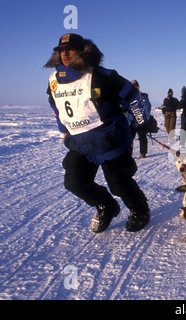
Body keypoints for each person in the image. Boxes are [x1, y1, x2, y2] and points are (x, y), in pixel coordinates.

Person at [45, 33, 151, 233]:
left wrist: (143, 121)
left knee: (118, 184)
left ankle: (140, 210)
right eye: (61, 51)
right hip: (80, 143)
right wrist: (65, 133)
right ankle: (107, 206)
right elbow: (57, 108)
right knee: (75, 182)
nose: (65, 54)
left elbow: (132, 95)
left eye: (70, 49)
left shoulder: (102, 76)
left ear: (83, 51)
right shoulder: (54, 81)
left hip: (110, 141)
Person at [131, 80, 152, 158]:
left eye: (135, 86)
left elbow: (148, 106)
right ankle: (129, 154)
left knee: (142, 137)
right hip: (131, 120)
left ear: (138, 87)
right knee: (129, 138)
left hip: (141, 119)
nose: (134, 88)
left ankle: (143, 152)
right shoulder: (127, 96)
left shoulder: (143, 96)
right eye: (132, 86)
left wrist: (146, 117)